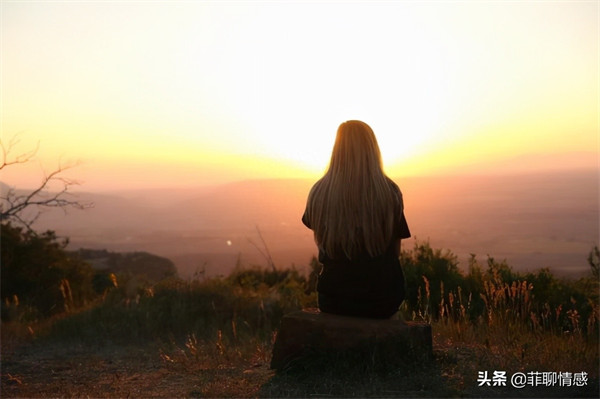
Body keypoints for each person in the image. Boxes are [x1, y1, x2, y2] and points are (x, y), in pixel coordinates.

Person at [302, 120, 411, 319]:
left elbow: (322, 241)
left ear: (337, 149)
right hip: (382, 299)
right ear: (372, 149)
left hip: (333, 299)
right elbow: (395, 253)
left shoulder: (318, 193)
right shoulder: (390, 192)